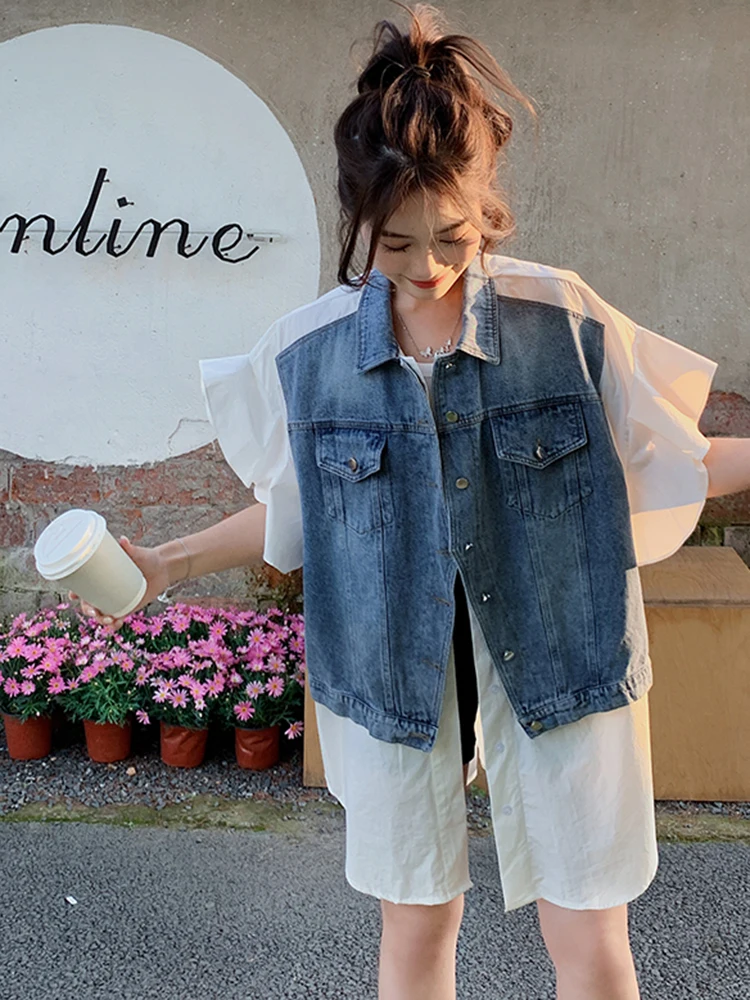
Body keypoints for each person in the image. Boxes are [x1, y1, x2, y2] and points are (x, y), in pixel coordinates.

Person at [69, 4, 750, 998]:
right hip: (393, 675)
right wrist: (164, 564)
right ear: (358, 221)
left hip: (563, 658)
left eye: (452, 237)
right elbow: (297, 508)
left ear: (488, 208)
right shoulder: (310, 355)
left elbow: (671, 459)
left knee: (591, 938)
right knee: (418, 932)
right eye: (394, 245)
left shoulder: (561, 320)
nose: (427, 267)